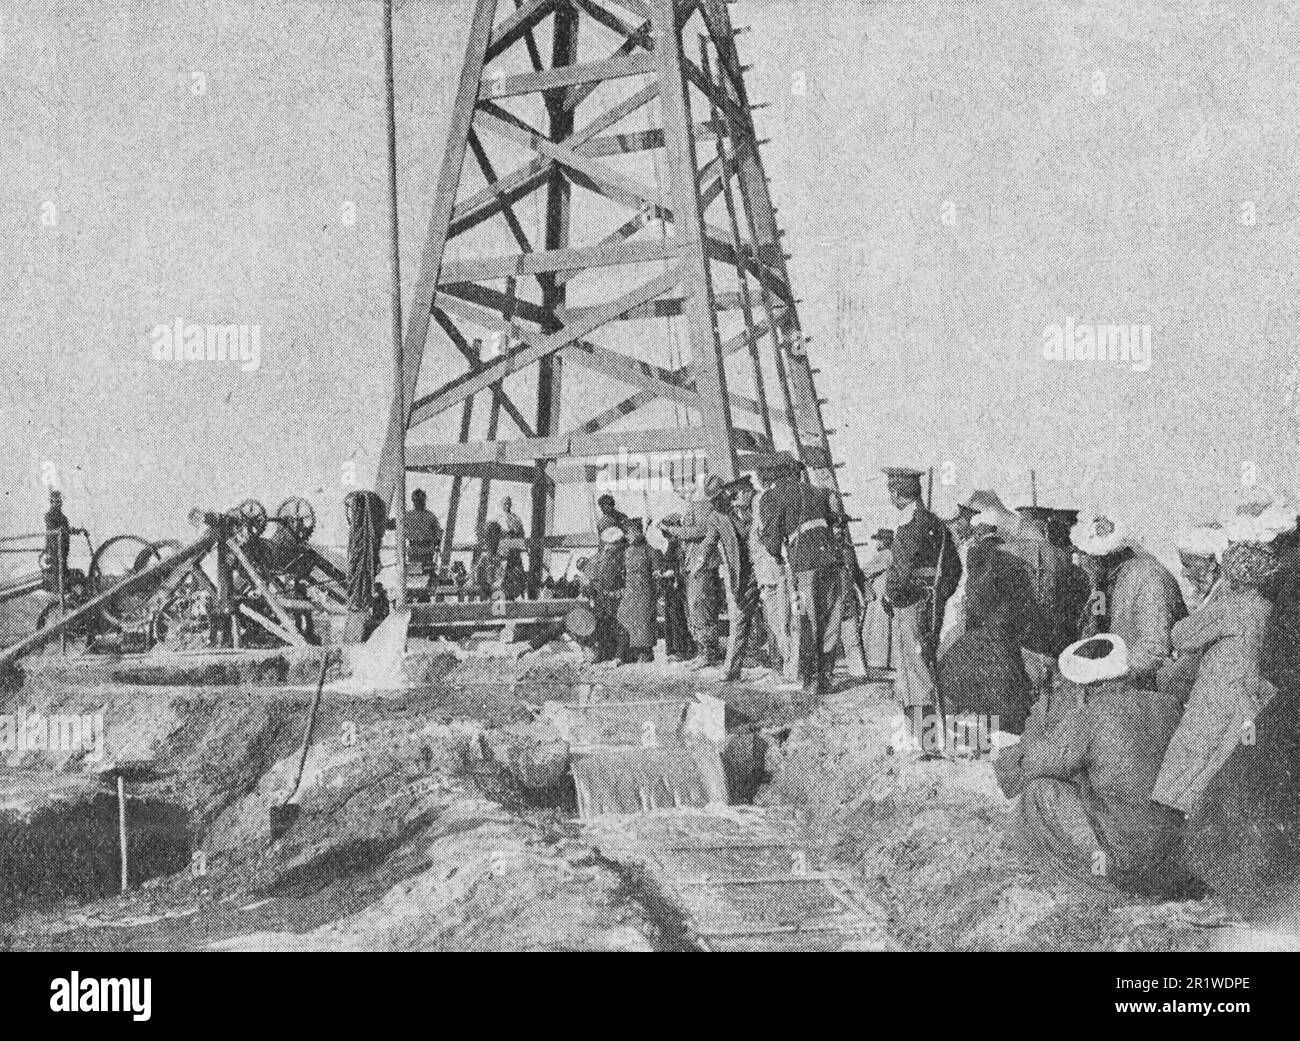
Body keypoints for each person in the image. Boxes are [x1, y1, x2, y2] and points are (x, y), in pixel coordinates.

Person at [994, 635, 1194, 899]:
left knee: (1039, 791)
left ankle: (1103, 884)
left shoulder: (1090, 717)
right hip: (1175, 857)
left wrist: (1011, 755)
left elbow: (1034, 764)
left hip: (1131, 862)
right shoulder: (1168, 704)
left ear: (1084, 686)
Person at [1181, 501, 1300, 917]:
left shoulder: (1262, 591)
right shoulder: (1275, 585)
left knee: (1233, 791)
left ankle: (1250, 900)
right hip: (1267, 696)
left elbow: (1186, 635)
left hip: (1265, 698)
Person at [937, 510, 1047, 734]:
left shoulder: (979, 555)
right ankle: (1009, 722)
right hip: (1007, 625)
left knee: (963, 668)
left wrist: (974, 621)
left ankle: (979, 723)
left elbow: (977, 594)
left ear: (980, 531)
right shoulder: (1010, 554)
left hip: (988, 626)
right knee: (1007, 674)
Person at [883, 467, 962, 742]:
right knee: (927, 660)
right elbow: (954, 568)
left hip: (911, 604)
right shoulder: (936, 523)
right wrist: (939, 595)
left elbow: (901, 572)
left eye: (890, 490)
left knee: (914, 668)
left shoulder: (908, 525)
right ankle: (930, 730)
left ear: (896, 493)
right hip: (931, 603)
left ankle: (925, 739)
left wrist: (890, 595)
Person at [1071, 509, 1186, 689]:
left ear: (1103, 558)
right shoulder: (1100, 583)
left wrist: (1114, 677)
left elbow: (1154, 648)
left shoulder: (1148, 578)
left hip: (1144, 690)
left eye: (1084, 555)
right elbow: (1093, 632)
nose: (1078, 561)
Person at [760, 460, 845, 698]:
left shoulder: (773, 496)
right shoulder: (818, 491)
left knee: (805, 620)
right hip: (830, 561)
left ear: (776, 477)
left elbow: (771, 540)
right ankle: (826, 676)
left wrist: (776, 555)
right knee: (830, 618)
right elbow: (836, 519)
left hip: (803, 567)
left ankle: (812, 679)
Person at [661, 481, 724, 666]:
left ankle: (709, 652)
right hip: (694, 564)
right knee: (695, 608)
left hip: (702, 563)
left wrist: (672, 530)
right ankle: (704, 650)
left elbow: (702, 531)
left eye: (680, 487)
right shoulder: (694, 505)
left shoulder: (702, 504)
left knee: (701, 606)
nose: (677, 492)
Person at [751, 459, 793, 676]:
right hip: (772, 571)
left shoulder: (764, 499)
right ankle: (791, 663)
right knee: (784, 620)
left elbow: (766, 536)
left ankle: (792, 665)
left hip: (773, 570)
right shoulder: (766, 498)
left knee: (781, 621)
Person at [616, 518, 658, 663]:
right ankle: (627, 653)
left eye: (629, 533)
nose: (627, 536)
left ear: (638, 532)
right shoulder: (626, 552)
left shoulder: (651, 551)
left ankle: (645, 654)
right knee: (624, 618)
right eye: (626, 534)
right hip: (630, 592)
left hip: (645, 592)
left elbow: (657, 575)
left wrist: (654, 593)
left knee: (643, 623)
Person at [654, 516, 696, 661]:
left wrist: (672, 573)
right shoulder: (672, 544)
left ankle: (682, 650)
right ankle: (674, 649)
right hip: (670, 586)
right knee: (671, 617)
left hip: (677, 586)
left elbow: (681, 565)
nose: (664, 534)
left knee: (678, 617)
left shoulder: (679, 545)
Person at [589, 525, 626, 664]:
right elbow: (594, 578)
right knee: (605, 626)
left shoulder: (623, 558)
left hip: (617, 597)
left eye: (613, 546)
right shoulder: (601, 558)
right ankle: (605, 653)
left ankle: (618, 656)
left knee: (617, 626)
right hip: (603, 598)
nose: (609, 549)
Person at [859, 528, 894, 669]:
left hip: (880, 591)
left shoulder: (885, 554)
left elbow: (867, 570)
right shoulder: (890, 554)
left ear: (884, 541)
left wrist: (856, 573)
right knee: (881, 624)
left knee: (877, 624)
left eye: (879, 540)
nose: (877, 543)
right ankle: (883, 660)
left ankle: (877, 660)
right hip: (882, 589)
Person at [403, 489, 443, 573]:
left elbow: (438, 531)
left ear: (424, 500)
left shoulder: (430, 516)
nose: (419, 502)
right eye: (417, 500)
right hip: (413, 552)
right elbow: (398, 526)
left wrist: (437, 543)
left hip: (427, 552)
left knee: (427, 575)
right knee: (414, 576)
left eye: (421, 500)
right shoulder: (408, 516)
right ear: (413, 500)